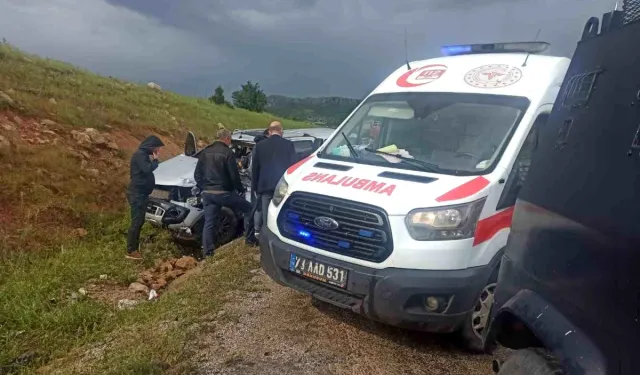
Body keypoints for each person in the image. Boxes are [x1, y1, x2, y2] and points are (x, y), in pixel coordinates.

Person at [195, 128, 255, 257]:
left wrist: (204, 187)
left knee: (209, 221)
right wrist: (239, 189)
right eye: (230, 139)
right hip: (223, 193)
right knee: (249, 209)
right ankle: (250, 240)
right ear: (227, 138)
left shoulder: (205, 152)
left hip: (207, 193)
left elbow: (197, 174)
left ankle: (207, 252)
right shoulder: (227, 152)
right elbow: (234, 176)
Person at [251, 121, 297, 230]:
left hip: (265, 186)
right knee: (281, 212)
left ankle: (267, 233)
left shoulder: (260, 146)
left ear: (269, 131)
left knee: (266, 213)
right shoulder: (289, 145)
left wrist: (255, 187)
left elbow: (255, 169)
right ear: (281, 131)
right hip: (282, 186)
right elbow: (293, 166)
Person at [126, 135, 165, 260]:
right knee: (136, 222)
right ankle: (131, 251)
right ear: (151, 146)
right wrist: (155, 160)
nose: (158, 150)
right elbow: (147, 169)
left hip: (141, 194)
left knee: (140, 221)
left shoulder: (142, 155)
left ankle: (135, 247)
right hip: (137, 194)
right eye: (157, 148)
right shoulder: (140, 155)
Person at [250, 128, 270, 238]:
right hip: (263, 182)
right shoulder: (263, 147)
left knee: (258, 207)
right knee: (262, 207)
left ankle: (256, 230)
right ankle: (261, 230)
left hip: (256, 182)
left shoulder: (256, 145)